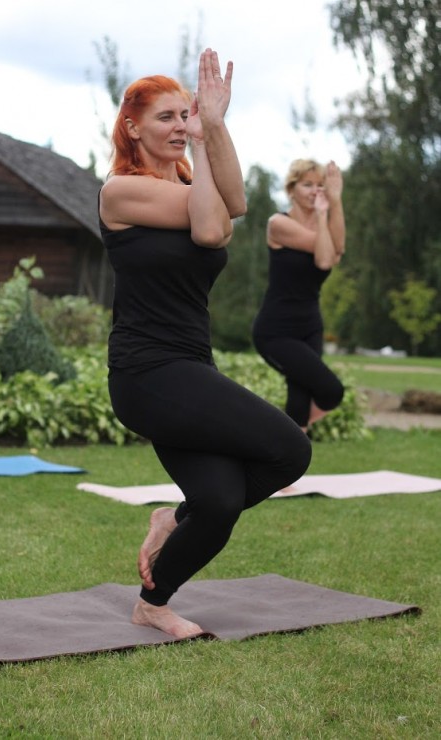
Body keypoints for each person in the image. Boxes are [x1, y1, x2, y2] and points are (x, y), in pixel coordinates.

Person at [98, 49, 312, 640]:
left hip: (189, 367)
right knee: (290, 450)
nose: (180, 126)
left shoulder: (195, 184)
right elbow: (214, 227)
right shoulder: (120, 191)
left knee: (218, 502)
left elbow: (236, 204)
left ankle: (153, 600)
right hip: (147, 373)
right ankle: (176, 519)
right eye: (166, 117)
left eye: (185, 114)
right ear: (132, 127)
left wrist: (214, 125)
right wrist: (202, 138)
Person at [252, 158, 346, 433]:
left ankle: (286, 452)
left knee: (301, 396)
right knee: (331, 389)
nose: (315, 190)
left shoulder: (323, 222)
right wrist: (323, 218)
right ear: (291, 189)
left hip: (311, 326)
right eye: (307, 184)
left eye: (320, 185)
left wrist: (336, 200)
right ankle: (276, 438)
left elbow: (339, 248)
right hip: (276, 331)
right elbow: (327, 259)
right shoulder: (278, 224)